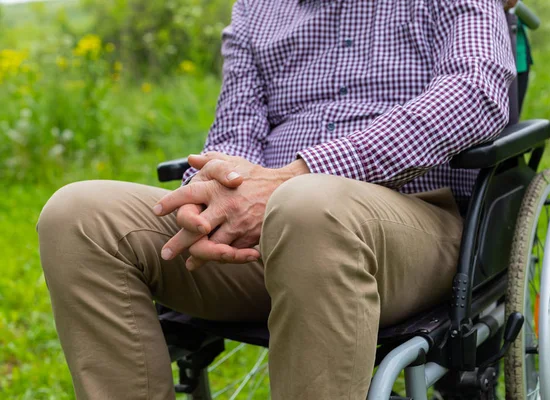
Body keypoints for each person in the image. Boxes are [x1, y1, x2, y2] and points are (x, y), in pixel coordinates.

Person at [37, 0, 516, 398]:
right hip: (261, 229)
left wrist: (296, 176)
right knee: (76, 217)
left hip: (408, 222)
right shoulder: (256, 11)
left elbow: (476, 92)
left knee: (306, 206)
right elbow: (235, 130)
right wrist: (209, 202)